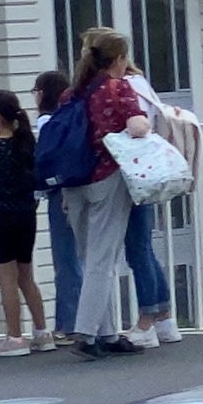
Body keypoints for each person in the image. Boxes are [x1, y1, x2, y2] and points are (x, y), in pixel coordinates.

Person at [61, 27, 151, 358]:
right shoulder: (119, 88)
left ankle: (108, 332)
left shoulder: (71, 94)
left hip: (73, 181)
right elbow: (137, 126)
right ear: (120, 58)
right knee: (102, 259)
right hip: (107, 177)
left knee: (88, 257)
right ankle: (85, 333)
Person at [0, 89, 52, 355]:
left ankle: (15, 337)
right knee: (27, 275)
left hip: (3, 216)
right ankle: (42, 332)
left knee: (7, 277)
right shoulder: (26, 144)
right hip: (27, 214)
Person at [121, 66, 194, 348]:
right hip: (147, 170)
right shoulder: (141, 84)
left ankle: (147, 319)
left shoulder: (126, 87)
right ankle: (164, 317)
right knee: (144, 246)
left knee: (137, 248)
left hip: (133, 171)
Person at [33, 69, 82, 341]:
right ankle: (83, 319)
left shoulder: (48, 123)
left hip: (59, 191)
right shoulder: (73, 116)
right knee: (82, 256)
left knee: (66, 260)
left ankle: (69, 322)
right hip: (80, 186)